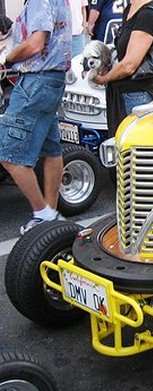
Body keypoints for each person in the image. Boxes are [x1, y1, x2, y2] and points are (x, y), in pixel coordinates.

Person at [0, 0, 71, 235]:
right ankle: (49, 217)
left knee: (7, 153)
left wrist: (6, 59)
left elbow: (35, 44)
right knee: (51, 149)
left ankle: (43, 214)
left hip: (37, 80)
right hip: (51, 80)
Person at [91, 0, 153, 136]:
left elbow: (130, 65)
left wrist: (103, 79)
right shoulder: (129, 9)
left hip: (139, 94)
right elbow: (122, 54)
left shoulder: (147, 14)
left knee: (136, 145)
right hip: (122, 91)